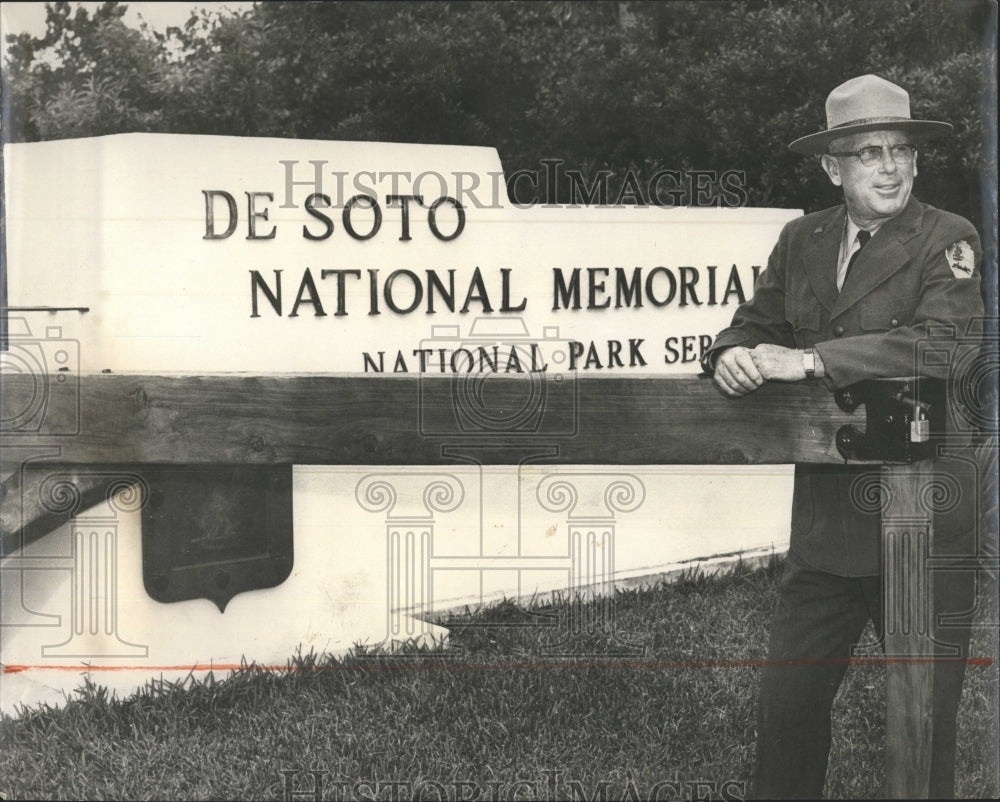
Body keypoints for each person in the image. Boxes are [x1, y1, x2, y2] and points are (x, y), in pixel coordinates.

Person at [702, 74, 984, 798]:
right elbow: (754, 323)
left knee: (924, 729)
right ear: (835, 168)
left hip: (921, 525)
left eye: (901, 151)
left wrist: (814, 359)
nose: (891, 167)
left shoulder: (947, 239)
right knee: (787, 714)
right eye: (868, 153)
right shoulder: (803, 240)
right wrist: (731, 351)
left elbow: (945, 347)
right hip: (827, 526)